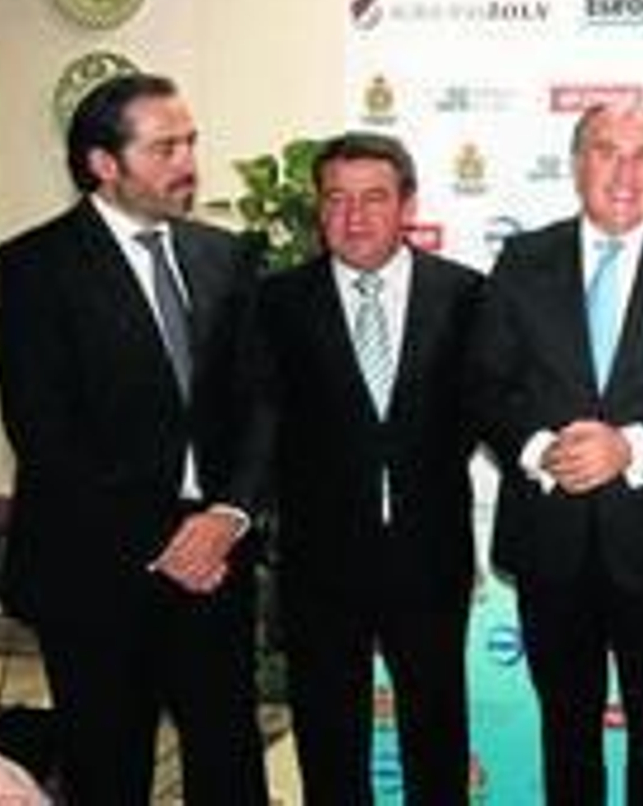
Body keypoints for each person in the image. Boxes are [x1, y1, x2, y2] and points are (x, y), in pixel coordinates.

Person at [0, 73, 269, 803]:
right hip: (96, 572)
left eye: (191, 141)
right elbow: (45, 434)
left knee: (230, 768)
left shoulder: (225, 257)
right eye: (164, 146)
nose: (188, 161)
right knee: (109, 771)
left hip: (215, 567)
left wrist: (226, 518)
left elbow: (260, 406)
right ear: (103, 163)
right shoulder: (32, 266)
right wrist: (168, 539)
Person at [466, 103, 643, 804]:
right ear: (576, 162)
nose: (624, 171)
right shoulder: (522, 259)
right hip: (549, 538)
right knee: (566, 731)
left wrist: (632, 446)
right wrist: (541, 449)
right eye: (605, 150)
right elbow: (483, 381)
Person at [255, 132, 481, 802]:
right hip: (319, 563)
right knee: (329, 745)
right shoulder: (276, 302)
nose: (354, 217)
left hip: (430, 556)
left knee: (437, 737)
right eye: (336, 199)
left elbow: (490, 407)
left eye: (374, 198)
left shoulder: (466, 295)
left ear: (408, 205)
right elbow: (259, 426)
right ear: (319, 208)